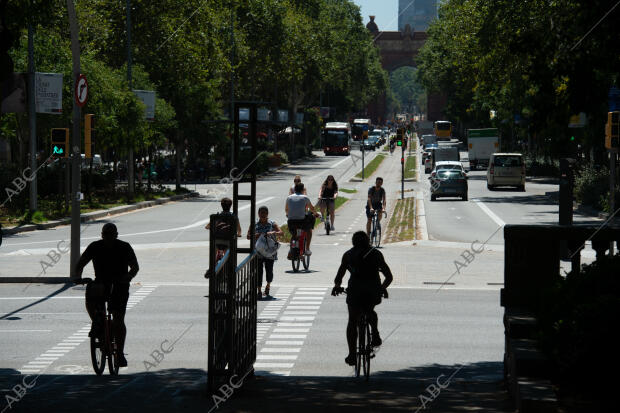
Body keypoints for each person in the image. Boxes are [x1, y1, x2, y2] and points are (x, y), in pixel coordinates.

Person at [74, 223, 139, 368]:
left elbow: (135, 267)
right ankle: (96, 322)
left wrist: (127, 277)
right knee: (91, 295)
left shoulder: (124, 247)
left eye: (111, 234)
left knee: (118, 318)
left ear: (116, 235)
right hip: (101, 283)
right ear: (102, 235)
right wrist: (78, 277)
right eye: (106, 234)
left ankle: (120, 353)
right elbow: (80, 264)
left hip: (119, 285)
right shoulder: (95, 246)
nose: (108, 237)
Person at [331, 231, 392, 366]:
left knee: (353, 320)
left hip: (355, 291)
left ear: (353, 242)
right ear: (368, 241)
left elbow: (339, 276)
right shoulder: (376, 254)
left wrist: (337, 286)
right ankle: (375, 334)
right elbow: (389, 277)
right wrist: (382, 288)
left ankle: (352, 355)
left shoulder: (348, 255)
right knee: (370, 310)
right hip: (373, 291)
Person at [247, 206, 283, 299]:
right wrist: (256, 235)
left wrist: (273, 232)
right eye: (261, 213)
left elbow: (281, 232)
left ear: (267, 214)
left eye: (264, 213)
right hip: (258, 252)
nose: (263, 215)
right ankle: (259, 290)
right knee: (258, 271)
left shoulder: (272, 223)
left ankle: (268, 285)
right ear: (258, 214)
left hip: (269, 252)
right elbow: (248, 236)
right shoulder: (254, 224)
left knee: (269, 270)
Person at [285, 182, 319, 256]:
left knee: (294, 235)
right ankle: (307, 249)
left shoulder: (289, 197)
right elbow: (312, 208)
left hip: (291, 221)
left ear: (295, 190)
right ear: (303, 190)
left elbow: (286, 210)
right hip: (302, 221)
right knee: (309, 230)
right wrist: (316, 214)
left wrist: (289, 215)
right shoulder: (305, 197)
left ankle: (291, 250)